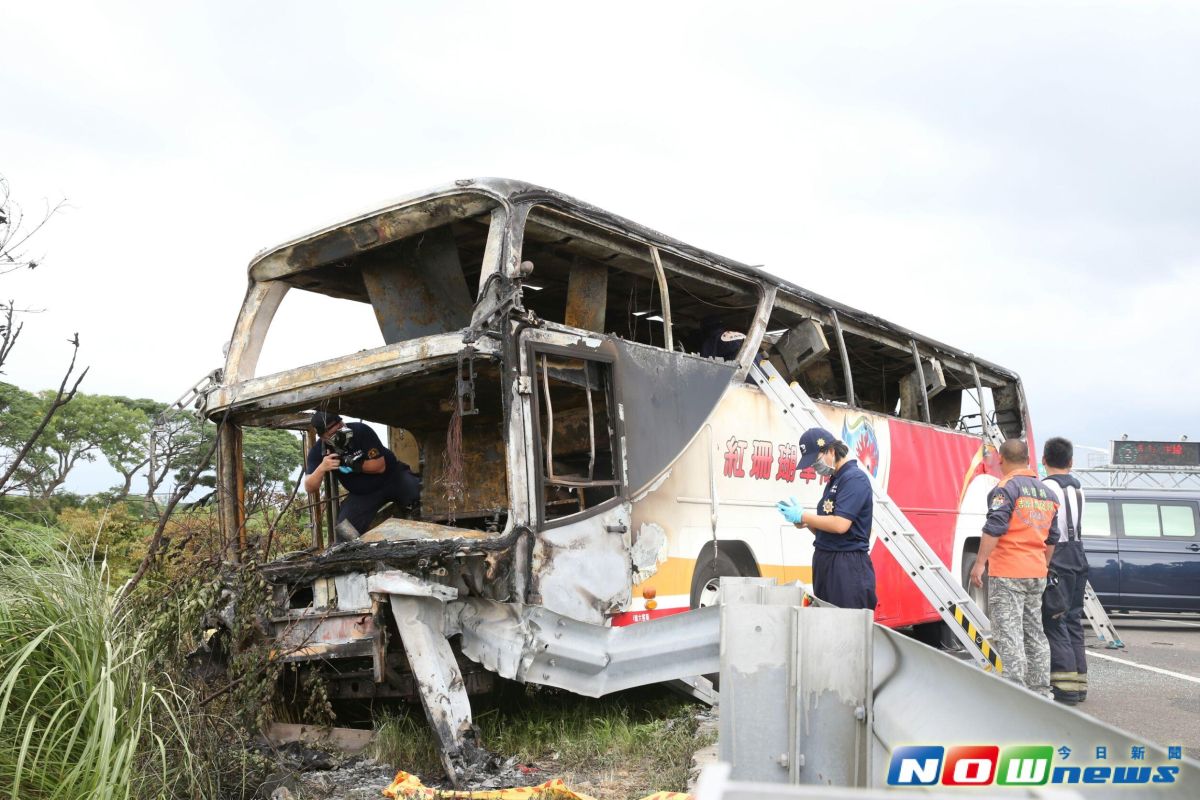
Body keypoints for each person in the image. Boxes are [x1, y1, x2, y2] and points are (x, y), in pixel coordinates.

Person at [970, 438, 1059, 698]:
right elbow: (1052, 538)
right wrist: (1043, 565)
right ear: (1028, 459)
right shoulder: (1048, 494)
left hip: (1008, 571)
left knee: (1009, 634)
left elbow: (994, 527)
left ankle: (1015, 694)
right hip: (1036, 571)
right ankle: (1041, 692)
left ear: (1002, 460)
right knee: (1035, 633)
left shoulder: (1005, 488)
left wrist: (979, 563)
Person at [776, 427, 878, 610]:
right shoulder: (835, 480)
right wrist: (805, 523)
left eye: (815, 462)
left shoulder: (854, 479)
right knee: (826, 624)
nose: (815, 468)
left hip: (846, 566)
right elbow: (826, 528)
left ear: (831, 451)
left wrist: (804, 515)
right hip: (827, 560)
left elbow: (840, 525)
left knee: (845, 627)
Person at [303, 411, 420, 542]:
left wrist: (350, 463)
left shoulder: (361, 431)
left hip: (393, 478)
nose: (340, 434)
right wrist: (322, 467)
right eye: (333, 434)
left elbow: (379, 466)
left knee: (420, 496)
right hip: (363, 494)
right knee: (345, 532)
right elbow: (309, 486)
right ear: (323, 437)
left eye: (341, 428)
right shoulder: (319, 451)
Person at [1041, 436, 1089, 704]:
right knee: (1073, 619)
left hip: (1056, 556)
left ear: (1044, 460)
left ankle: (1065, 688)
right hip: (1079, 554)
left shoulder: (1045, 488)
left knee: (1054, 619)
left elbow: (1045, 530)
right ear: (1070, 461)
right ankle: (1080, 685)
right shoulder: (1080, 490)